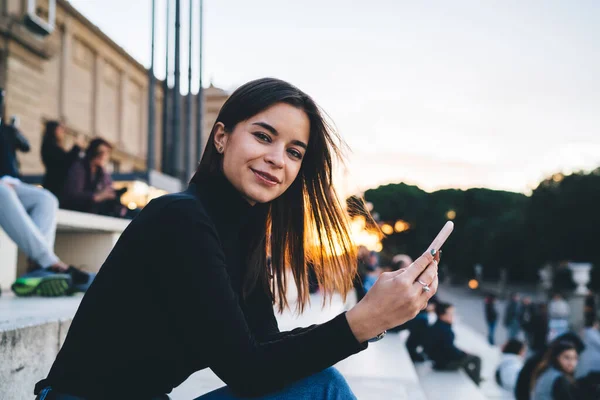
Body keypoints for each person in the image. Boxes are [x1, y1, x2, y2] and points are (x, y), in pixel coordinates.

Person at [34, 78, 440, 399]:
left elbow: (264, 348)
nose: (277, 158)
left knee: (321, 383)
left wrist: (372, 318)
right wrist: (363, 322)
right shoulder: (180, 218)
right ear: (221, 137)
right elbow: (249, 371)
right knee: (325, 390)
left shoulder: (242, 237)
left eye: (294, 152)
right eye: (263, 137)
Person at [0, 111, 93, 297]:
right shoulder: (49, 145)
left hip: (7, 181)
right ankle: (50, 263)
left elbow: (23, 147)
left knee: (46, 199)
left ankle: (37, 269)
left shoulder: (5, 129)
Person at [61, 138, 126, 217]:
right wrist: (96, 197)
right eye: (100, 152)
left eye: (107, 153)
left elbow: (108, 187)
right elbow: (73, 195)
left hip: (94, 215)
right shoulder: (79, 168)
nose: (104, 156)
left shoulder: (102, 173)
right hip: (74, 214)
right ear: (92, 152)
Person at [514, 332, 585, 400]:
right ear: (557, 357)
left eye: (575, 358)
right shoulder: (557, 377)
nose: (571, 363)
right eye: (567, 357)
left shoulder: (547, 367)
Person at [425, 302, 482, 385]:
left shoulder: (437, 326)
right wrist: (464, 354)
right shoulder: (445, 330)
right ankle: (476, 382)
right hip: (444, 364)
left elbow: (446, 347)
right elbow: (450, 350)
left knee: (466, 361)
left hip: (437, 361)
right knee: (476, 359)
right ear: (442, 315)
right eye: (451, 314)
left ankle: (475, 378)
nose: (453, 316)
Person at [41, 120, 84, 198]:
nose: (63, 132)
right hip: (55, 185)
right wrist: (77, 147)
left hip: (58, 185)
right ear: (53, 130)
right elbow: (66, 162)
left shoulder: (53, 145)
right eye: (60, 129)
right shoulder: (49, 146)